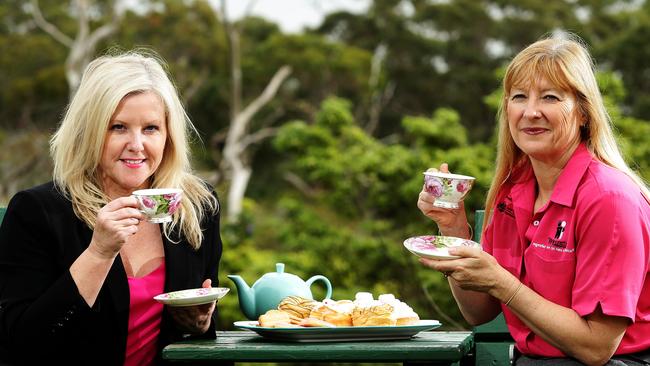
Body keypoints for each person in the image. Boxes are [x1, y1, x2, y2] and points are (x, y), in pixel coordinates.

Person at [417, 34, 650, 365]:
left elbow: (597, 348)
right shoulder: (513, 191)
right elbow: (478, 312)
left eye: (550, 97)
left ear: (584, 113)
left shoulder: (609, 199)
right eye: (519, 96)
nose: (530, 112)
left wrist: (504, 284)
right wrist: (454, 229)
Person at [0, 50, 222, 365]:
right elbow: (22, 340)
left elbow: (206, 329)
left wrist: (199, 323)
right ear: (90, 131)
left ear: (168, 136)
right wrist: (99, 253)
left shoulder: (195, 208)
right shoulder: (39, 212)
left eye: (151, 128)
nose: (136, 144)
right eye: (118, 127)